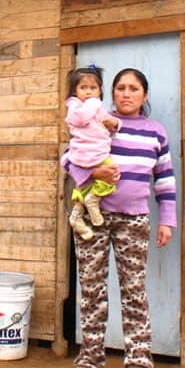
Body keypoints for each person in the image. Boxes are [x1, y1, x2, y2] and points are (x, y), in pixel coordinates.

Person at [62, 67, 176, 368]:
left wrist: (167, 220)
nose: (126, 94)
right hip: (93, 218)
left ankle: (139, 356)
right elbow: (67, 158)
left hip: (135, 220)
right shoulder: (97, 119)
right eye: (120, 88)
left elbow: (164, 180)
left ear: (145, 95)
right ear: (111, 93)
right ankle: (91, 355)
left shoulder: (156, 131)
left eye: (134, 89)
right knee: (92, 288)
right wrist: (91, 174)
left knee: (134, 287)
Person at [64, 66, 121, 241]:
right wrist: (94, 102)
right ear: (75, 91)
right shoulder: (75, 106)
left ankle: (76, 217)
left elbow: (109, 122)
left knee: (84, 186)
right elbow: (81, 119)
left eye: (93, 88)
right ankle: (93, 200)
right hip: (86, 153)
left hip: (96, 151)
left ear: (100, 90)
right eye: (83, 88)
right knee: (112, 176)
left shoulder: (96, 108)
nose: (88, 92)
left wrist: (115, 124)